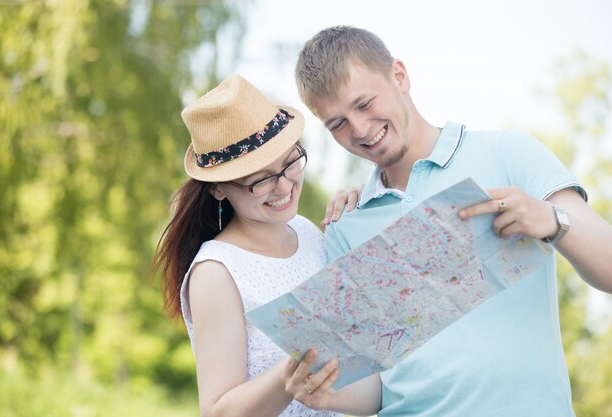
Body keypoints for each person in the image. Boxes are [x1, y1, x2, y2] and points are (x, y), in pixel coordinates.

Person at [282, 26, 612, 417]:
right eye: (336, 124)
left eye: (364, 103)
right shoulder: (345, 226)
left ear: (399, 76)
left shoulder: (509, 154)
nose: (359, 129)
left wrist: (553, 221)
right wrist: (327, 394)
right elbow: (376, 389)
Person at [152, 74, 357, 417]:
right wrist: (290, 371)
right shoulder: (216, 272)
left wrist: (359, 206)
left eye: (290, 163)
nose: (283, 188)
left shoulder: (308, 233)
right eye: (260, 180)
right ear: (218, 188)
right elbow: (218, 411)